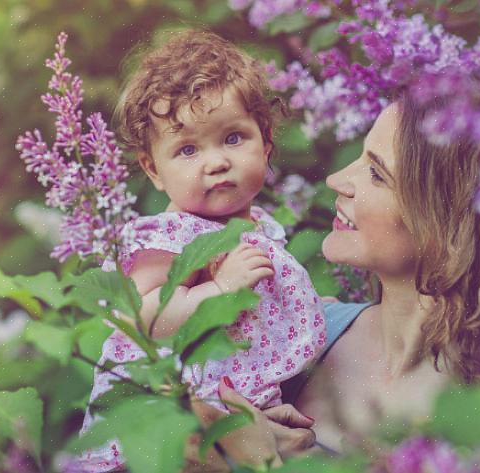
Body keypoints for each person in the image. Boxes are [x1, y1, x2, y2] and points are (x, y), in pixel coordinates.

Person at [190, 75, 480, 468]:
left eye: (377, 174)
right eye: (361, 159)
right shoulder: (305, 330)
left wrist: (265, 463)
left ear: (448, 225)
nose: (337, 180)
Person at [73, 30, 326, 472]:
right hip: (168, 418)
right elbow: (140, 316)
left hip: (231, 419)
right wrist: (219, 289)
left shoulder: (257, 228)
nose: (215, 162)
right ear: (154, 170)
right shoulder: (171, 236)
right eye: (187, 149)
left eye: (233, 138)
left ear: (265, 141)